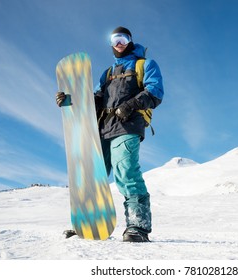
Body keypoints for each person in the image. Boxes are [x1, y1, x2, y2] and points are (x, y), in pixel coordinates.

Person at [56, 27, 164, 242]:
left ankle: (137, 226)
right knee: (92, 175)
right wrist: (69, 101)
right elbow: (93, 100)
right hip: (102, 128)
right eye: (115, 39)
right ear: (111, 44)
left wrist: (132, 104)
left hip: (128, 125)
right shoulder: (106, 74)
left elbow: (155, 91)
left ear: (130, 41)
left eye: (123, 38)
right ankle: (87, 222)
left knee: (125, 172)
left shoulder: (145, 64)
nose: (119, 43)